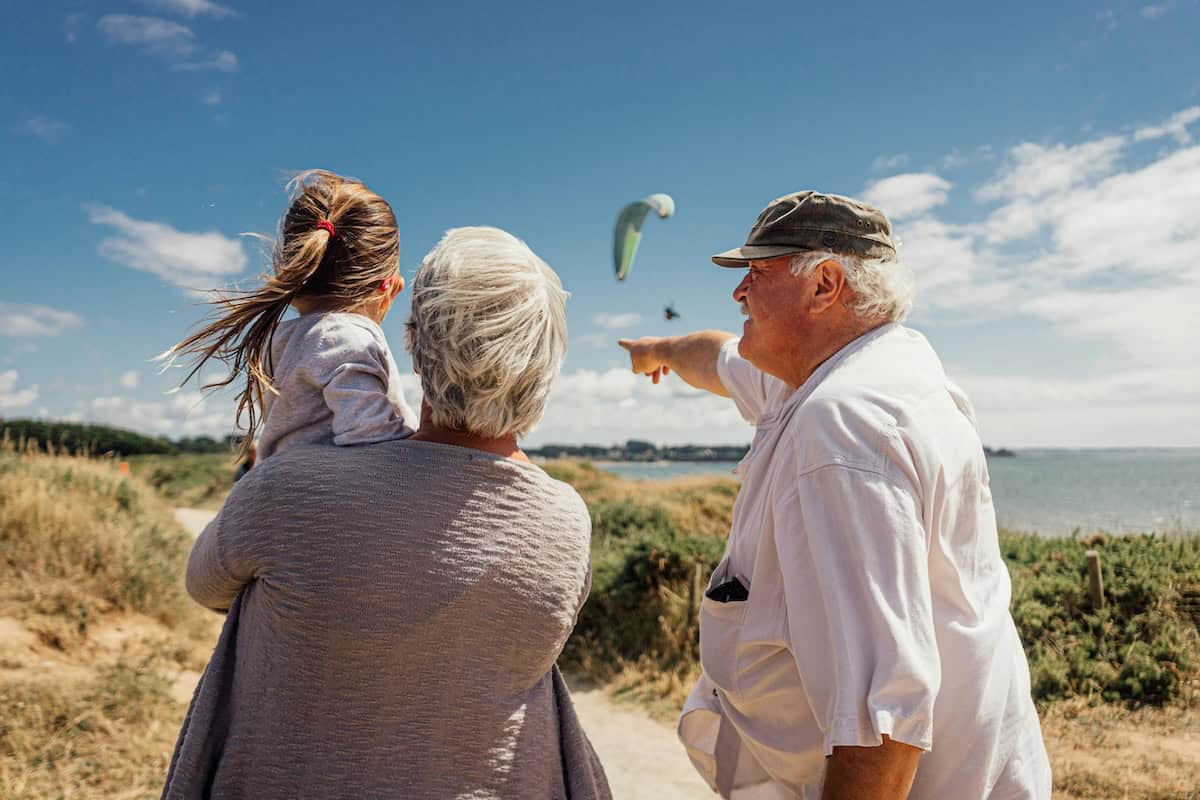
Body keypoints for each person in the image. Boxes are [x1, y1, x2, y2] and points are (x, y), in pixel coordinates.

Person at [618, 191, 1050, 799]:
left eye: (758, 272)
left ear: (825, 284)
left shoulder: (842, 426)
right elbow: (717, 358)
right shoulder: (865, 368)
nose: (739, 292)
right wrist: (658, 351)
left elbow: (882, 720)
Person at [162, 227, 611, 799]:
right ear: (546, 363)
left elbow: (205, 586)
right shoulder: (567, 519)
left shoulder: (288, 487)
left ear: (413, 341)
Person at [165, 169, 417, 465]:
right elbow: (370, 436)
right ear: (390, 288)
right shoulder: (348, 337)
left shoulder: (279, 340)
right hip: (325, 501)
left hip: (279, 487)